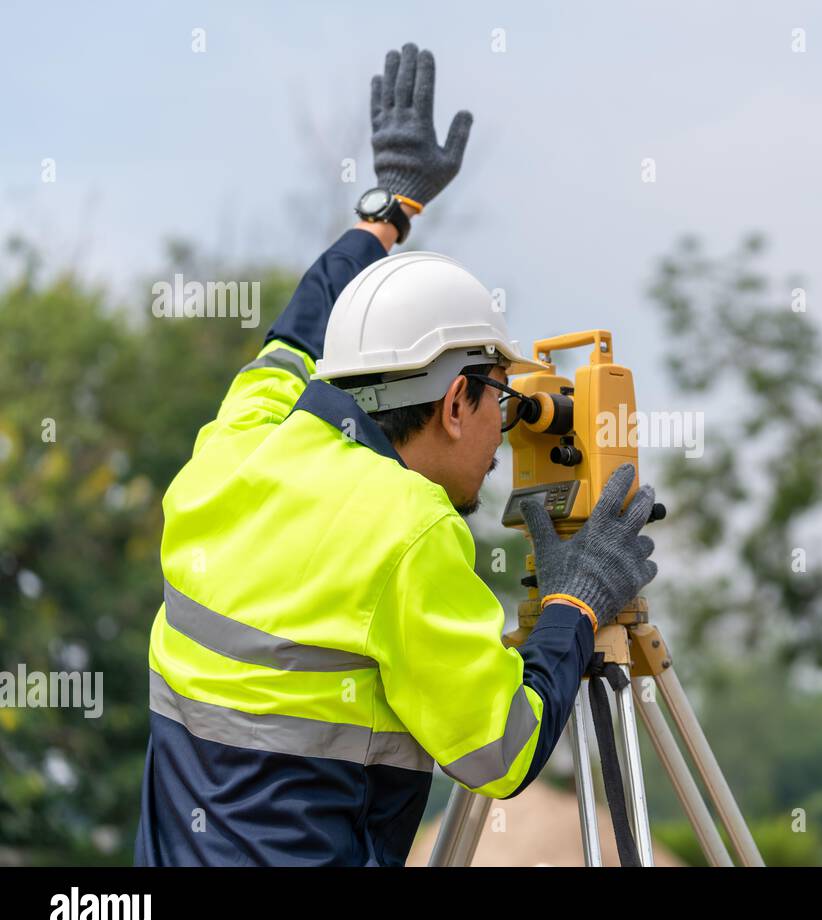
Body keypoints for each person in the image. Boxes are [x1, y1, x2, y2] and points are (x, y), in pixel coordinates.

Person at [134, 43, 657, 866]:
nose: (505, 432)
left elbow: (299, 332)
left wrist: (386, 210)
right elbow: (503, 750)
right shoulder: (410, 532)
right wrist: (576, 605)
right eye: (503, 399)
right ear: (456, 403)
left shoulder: (241, 437)